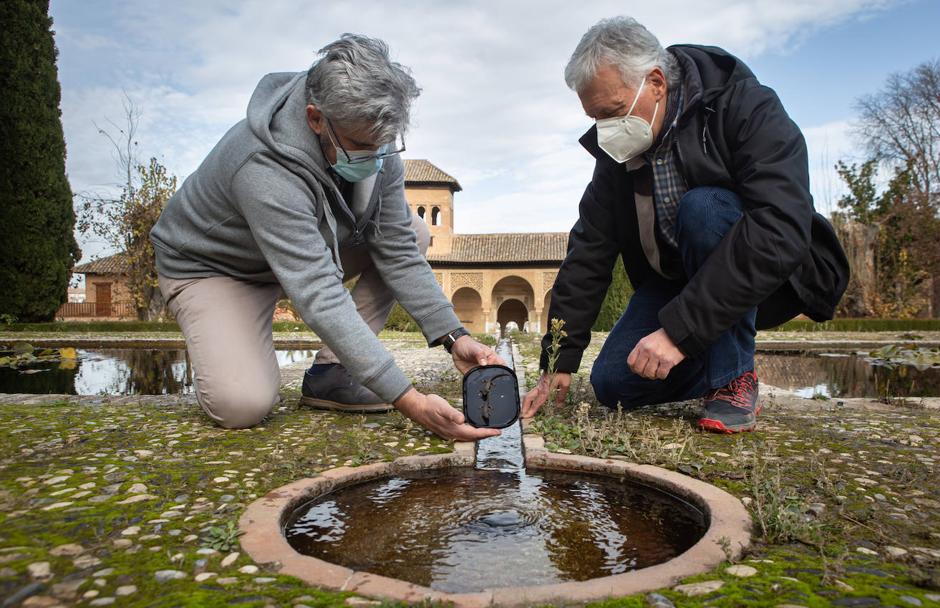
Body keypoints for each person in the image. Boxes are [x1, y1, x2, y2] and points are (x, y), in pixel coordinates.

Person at [150, 34, 502, 441]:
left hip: (302, 253)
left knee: (414, 231)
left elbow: (397, 250)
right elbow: (317, 289)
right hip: (216, 269)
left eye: (382, 145)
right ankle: (232, 329)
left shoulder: (373, 138)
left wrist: (454, 336)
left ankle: (332, 372)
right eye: (360, 146)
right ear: (316, 118)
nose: (374, 157)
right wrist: (409, 399)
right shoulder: (262, 164)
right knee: (241, 404)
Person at [522, 17, 849, 433]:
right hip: (675, 281)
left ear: (656, 82)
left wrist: (678, 333)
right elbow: (589, 251)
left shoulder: (745, 107)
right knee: (613, 383)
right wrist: (559, 362)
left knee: (703, 208)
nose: (607, 131)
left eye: (613, 113)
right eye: (596, 118)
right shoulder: (617, 154)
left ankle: (733, 379)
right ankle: (722, 359)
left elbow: (779, 227)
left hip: (764, 274)